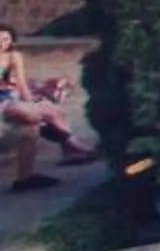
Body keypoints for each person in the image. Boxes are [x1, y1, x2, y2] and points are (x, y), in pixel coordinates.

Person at [0, 26, 98, 182]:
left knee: (52, 111)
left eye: (5, 39)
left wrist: (30, 99)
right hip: (2, 100)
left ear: (11, 40)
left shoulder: (14, 57)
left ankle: (70, 149)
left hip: (13, 96)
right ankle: (73, 146)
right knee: (33, 115)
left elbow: (21, 83)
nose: (2, 43)